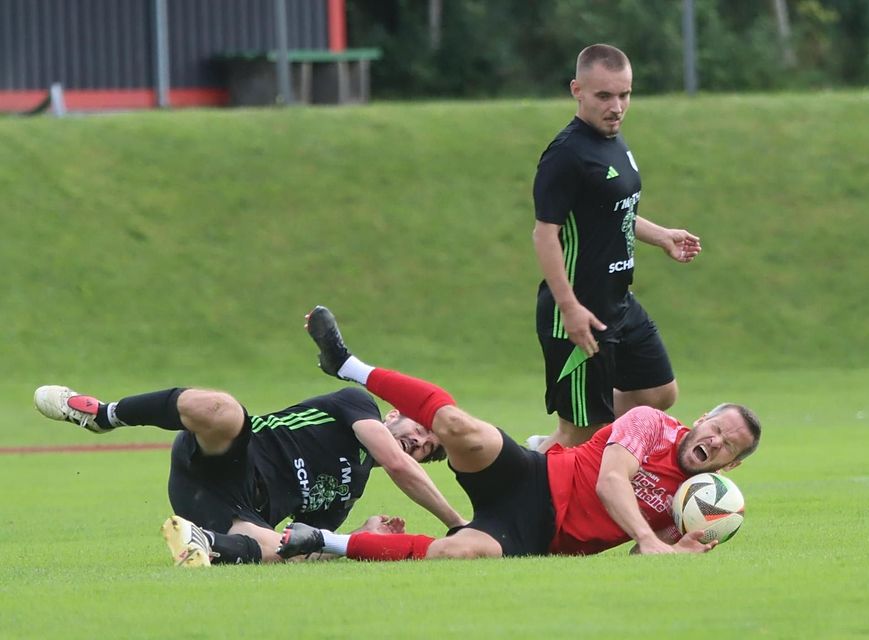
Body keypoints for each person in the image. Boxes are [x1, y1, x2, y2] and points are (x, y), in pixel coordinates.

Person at [276, 306, 760, 561]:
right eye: (716, 428)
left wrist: (673, 550)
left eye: (727, 446)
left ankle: (320, 540)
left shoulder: (695, 500)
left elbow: (641, 557)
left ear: (730, 464)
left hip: (536, 535)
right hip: (531, 476)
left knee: (460, 553)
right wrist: (650, 539)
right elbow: (611, 481)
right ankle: (348, 364)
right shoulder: (650, 422)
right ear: (700, 420)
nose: (715, 441)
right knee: (459, 427)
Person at [33, 348, 467, 567]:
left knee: (278, 550)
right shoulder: (358, 405)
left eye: (430, 448)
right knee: (223, 408)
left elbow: (306, 548)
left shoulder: (349, 492)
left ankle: (201, 543)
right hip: (226, 457)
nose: (421, 442)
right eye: (422, 429)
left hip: (224, 511)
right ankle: (105, 415)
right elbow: (395, 463)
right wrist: (459, 526)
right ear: (395, 413)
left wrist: (361, 533)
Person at [530, 43, 703, 452]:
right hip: (578, 311)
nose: (617, 106)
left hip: (619, 303)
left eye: (624, 94)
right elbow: (544, 234)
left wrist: (660, 235)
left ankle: (550, 449)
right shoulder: (565, 155)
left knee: (658, 392)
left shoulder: (615, 143)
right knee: (581, 433)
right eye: (604, 95)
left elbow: (612, 213)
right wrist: (569, 308)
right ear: (577, 90)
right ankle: (538, 467)